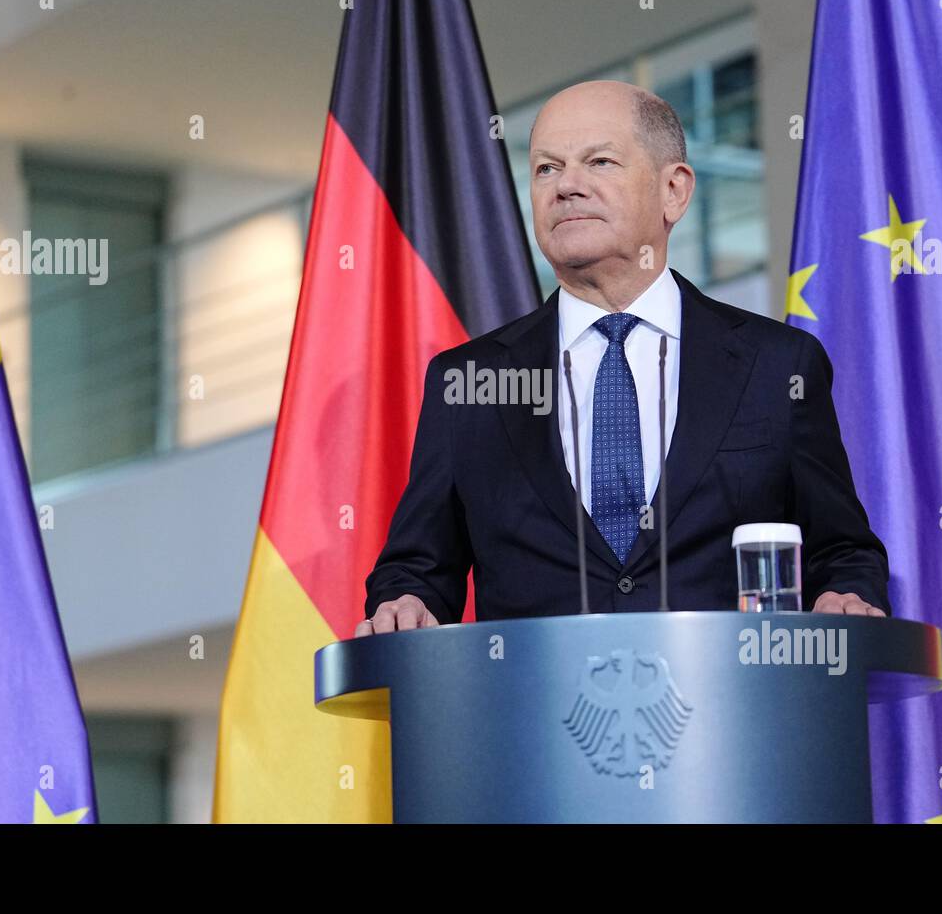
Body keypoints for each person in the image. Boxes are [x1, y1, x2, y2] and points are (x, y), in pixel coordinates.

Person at [358, 80, 887, 636]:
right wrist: (408, 600)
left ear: (674, 191)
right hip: (533, 715)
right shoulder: (468, 382)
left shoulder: (779, 365)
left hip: (732, 709)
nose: (566, 186)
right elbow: (417, 567)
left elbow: (842, 550)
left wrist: (843, 593)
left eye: (600, 161)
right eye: (545, 168)